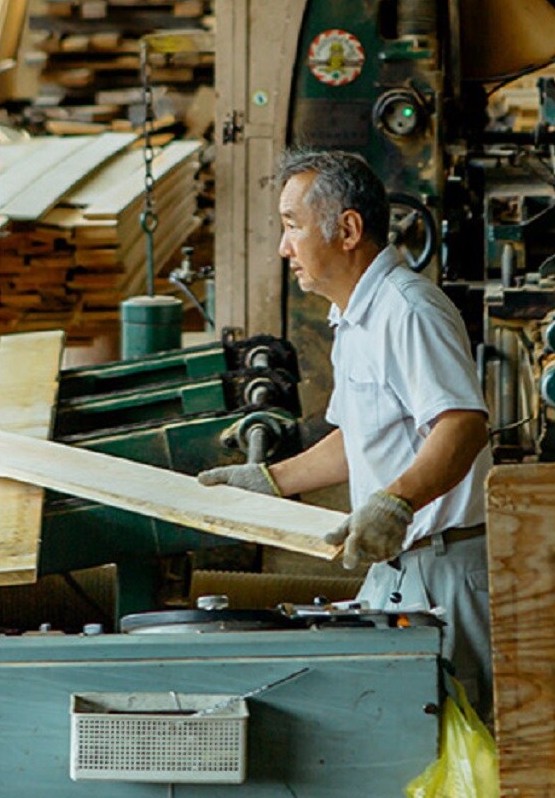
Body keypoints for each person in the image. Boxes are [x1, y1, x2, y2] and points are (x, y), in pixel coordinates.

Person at [199, 148, 493, 721]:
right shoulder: (354, 316)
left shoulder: (407, 310)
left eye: (292, 227)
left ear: (349, 229)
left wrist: (395, 502)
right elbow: (357, 435)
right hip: (399, 568)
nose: (284, 247)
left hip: (445, 570)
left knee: (464, 744)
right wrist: (270, 481)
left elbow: (462, 426)